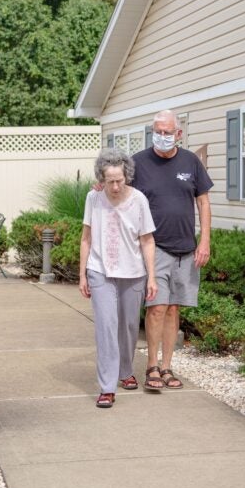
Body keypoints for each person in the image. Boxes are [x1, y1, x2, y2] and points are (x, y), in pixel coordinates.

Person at [132, 109, 213, 391]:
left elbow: (203, 202)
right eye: (158, 131)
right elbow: (118, 189)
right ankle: (151, 366)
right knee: (157, 307)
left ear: (178, 134)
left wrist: (204, 241)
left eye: (168, 132)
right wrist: (102, 185)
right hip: (155, 247)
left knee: (174, 308)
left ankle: (167, 367)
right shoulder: (138, 163)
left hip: (186, 249)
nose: (162, 137)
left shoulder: (190, 161)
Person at [79, 147, 158, 408]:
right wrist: (82, 274)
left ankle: (126, 370)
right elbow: (86, 238)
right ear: (101, 179)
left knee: (127, 326)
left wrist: (152, 277)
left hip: (133, 272)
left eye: (119, 181)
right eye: (109, 181)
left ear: (127, 177)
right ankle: (107, 386)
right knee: (106, 327)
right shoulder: (93, 198)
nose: (114, 186)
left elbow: (147, 240)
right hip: (100, 270)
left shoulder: (139, 200)